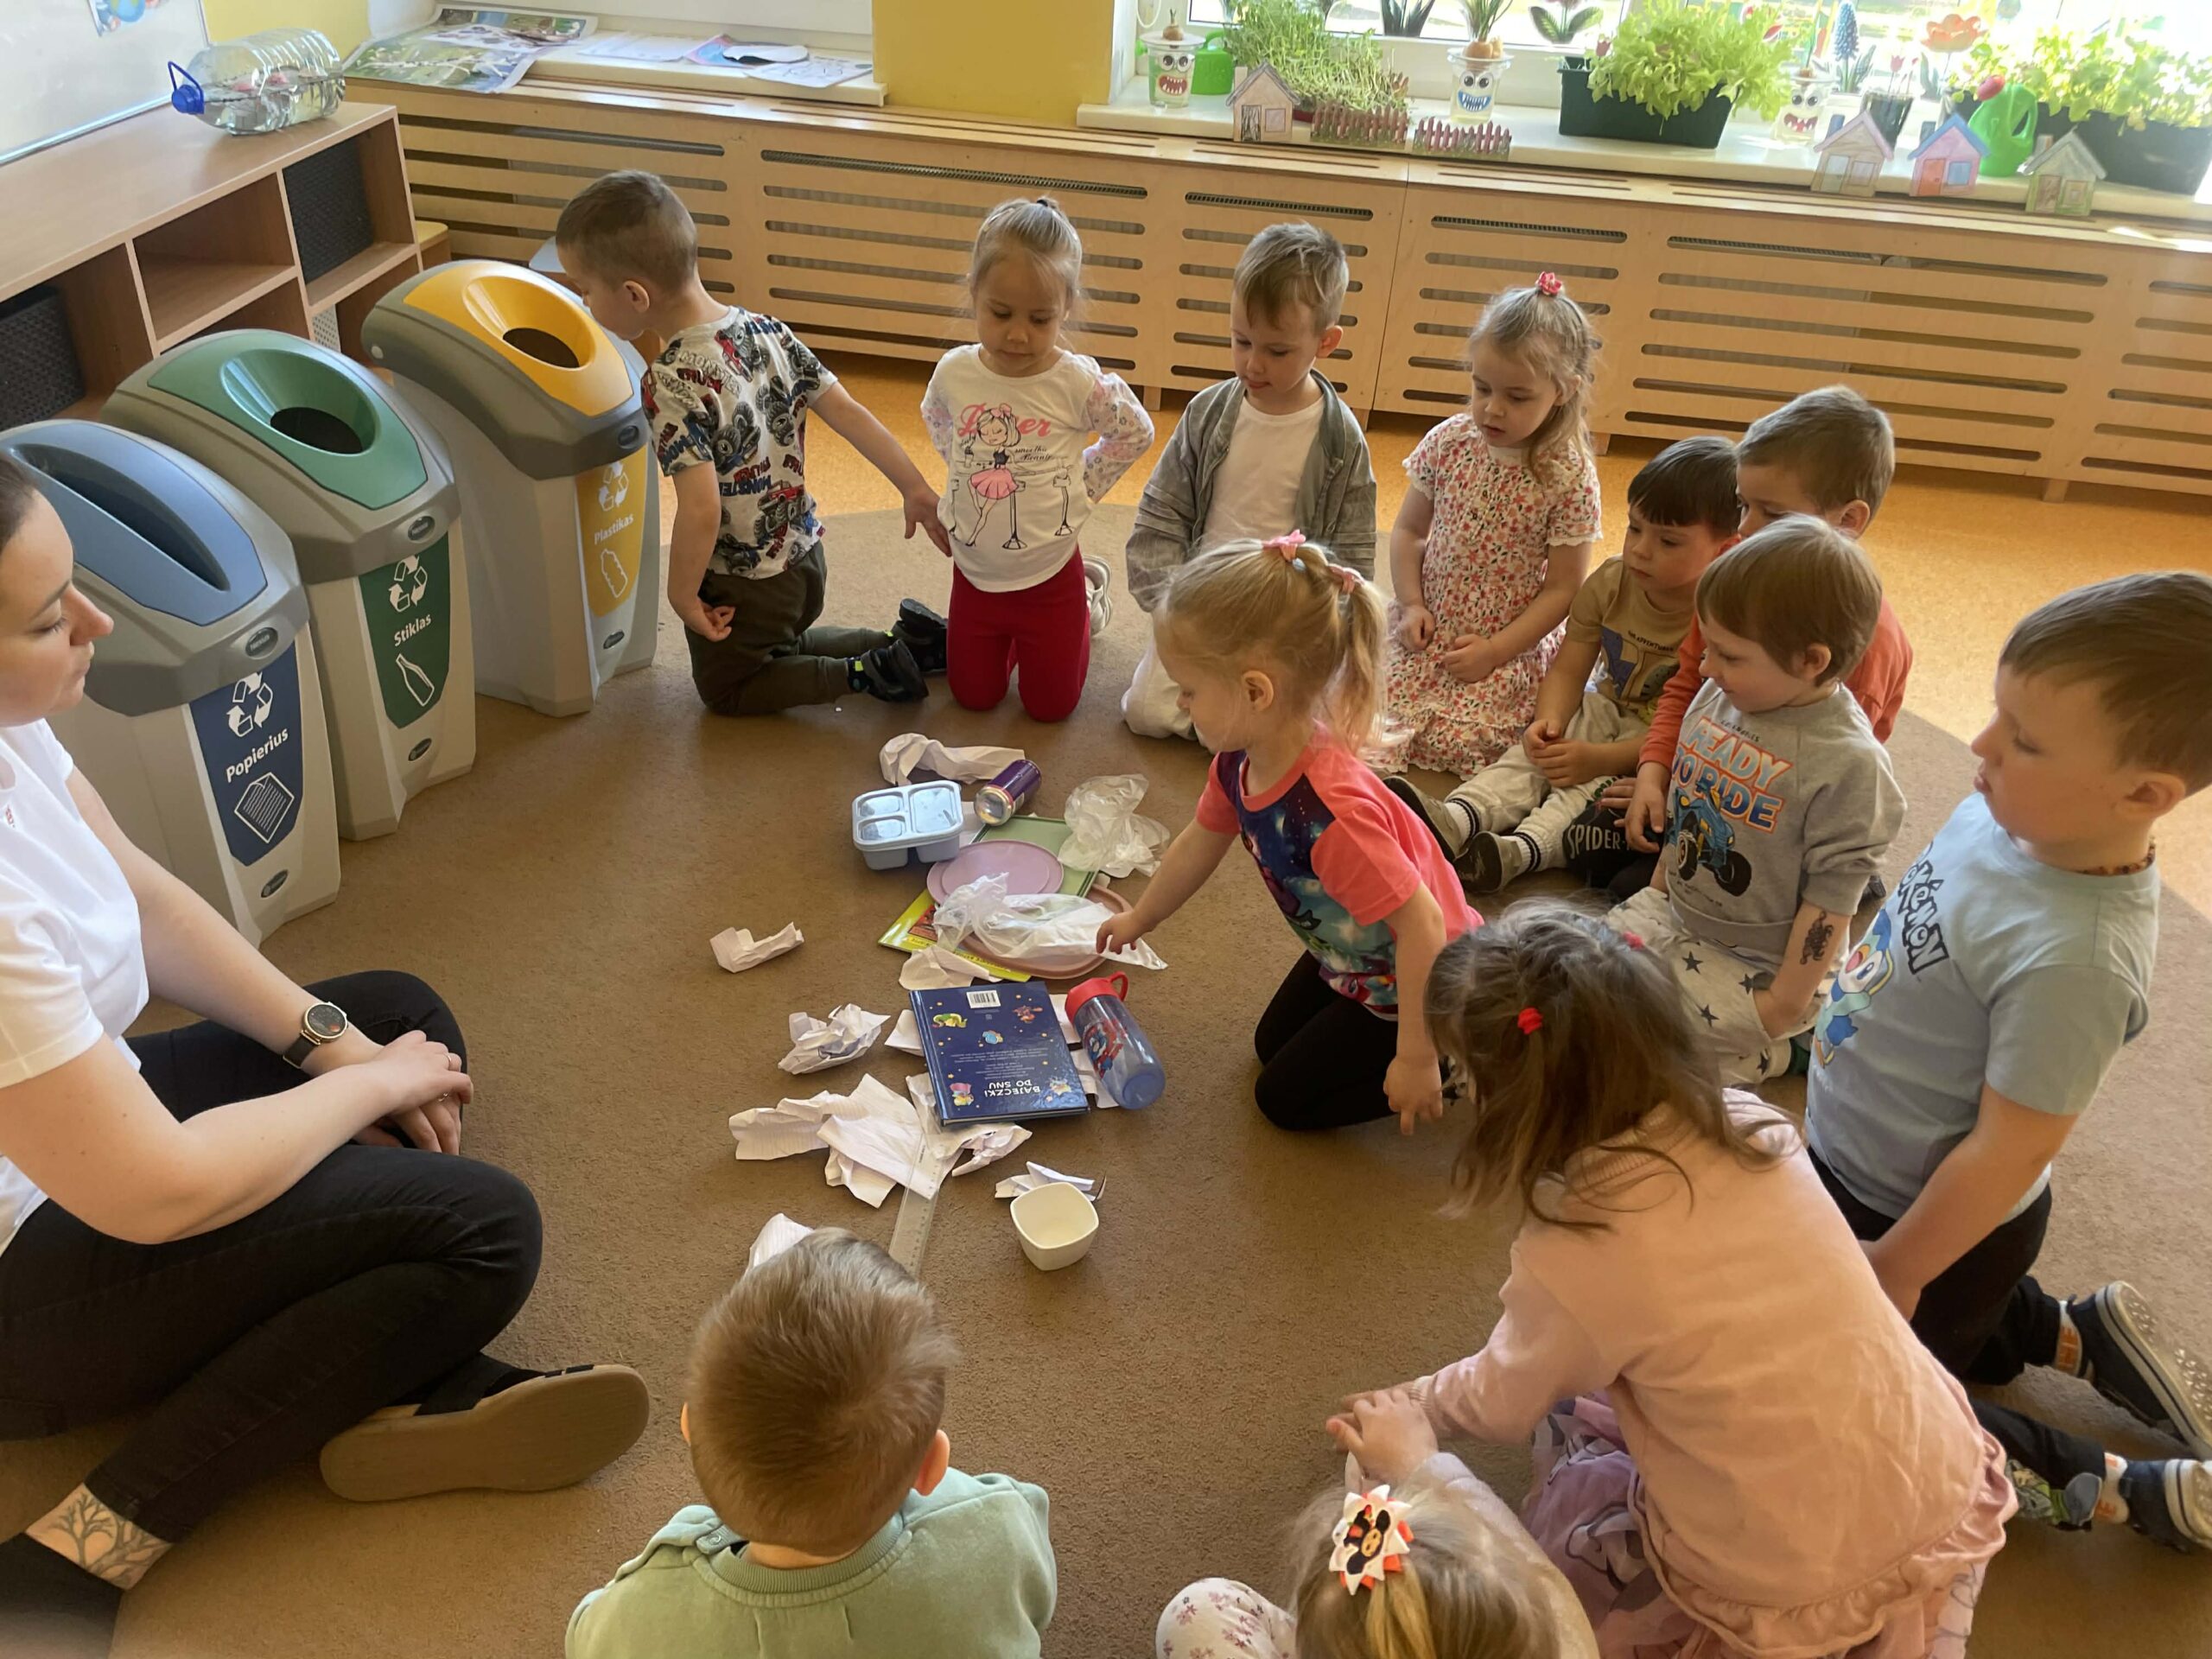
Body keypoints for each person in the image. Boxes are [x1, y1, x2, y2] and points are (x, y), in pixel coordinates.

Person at [0, 460, 647, 1659]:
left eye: (75, 588)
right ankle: (84, 1546)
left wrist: (333, 1045)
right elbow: (155, 1191)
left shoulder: (15, 728)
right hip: (23, 1295)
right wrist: (367, 1087)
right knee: (483, 1226)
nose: (95, 624)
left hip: (70, 1133)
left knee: (397, 1014)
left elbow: (146, 901)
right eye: (49, 620)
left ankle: (372, 1350)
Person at [1344, 905, 2013, 1657]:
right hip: (1940, 1484)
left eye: (1468, 1078)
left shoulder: (1575, 1252)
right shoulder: (1754, 1123)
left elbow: (1499, 1400)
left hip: (1787, 1577)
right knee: (1621, 1377)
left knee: (1562, 1531)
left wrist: (1414, 1412)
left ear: (1511, 1111)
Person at [1807, 573, 2212, 1552]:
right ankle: (2067, 1333)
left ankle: (2121, 1491)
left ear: (2143, 795)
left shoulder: (2078, 960)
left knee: (1880, 1414)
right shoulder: (2012, 816)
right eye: (1996, 712)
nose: (1980, 745)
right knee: (1894, 1328)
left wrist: (1900, 1268)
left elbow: (2007, 1150)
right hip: (1859, 1162)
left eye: (2022, 739)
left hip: (1924, 1223)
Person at [1095, 537, 1477, 1134]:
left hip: (1428, 977)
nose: (1181, 702)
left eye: (1189, 689)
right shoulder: (1239, 759)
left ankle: (1462, 1055)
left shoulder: (1330, 818)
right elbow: (1201, 838)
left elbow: (1425, 927)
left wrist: (1417, 1058)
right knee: (1270, 1045)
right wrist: (1141, 917)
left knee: (1282, 1101)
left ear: (1255, 691)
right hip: (1354, 951)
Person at [556, 170, 952, 715]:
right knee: (783, 646)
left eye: (585, 289)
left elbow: (701, 509)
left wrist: (682, 595)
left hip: (747, 585)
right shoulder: (768, 331)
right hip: (806, 558)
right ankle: (907, 644)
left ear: (634, 295)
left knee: (729, 688)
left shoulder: (669, 382)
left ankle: (864, 674)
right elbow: (850, 413)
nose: (584, 302)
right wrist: (914, 488)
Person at [568, 1229, 1055, 1656]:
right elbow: (1039, 1598)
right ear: (931, 1467)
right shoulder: (992, 1523)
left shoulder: (648, 1613)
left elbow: (585, 1637)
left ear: (689, 1426)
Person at [1569, 385, 1915, 899]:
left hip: (1785, 806)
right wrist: (1655, 774)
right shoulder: (1734, 568)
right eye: (1742, 504)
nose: (1746, 527)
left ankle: (1853, 878)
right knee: (1591, 853)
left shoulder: (1867, 647)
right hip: (1717, 764)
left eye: (1772, 514)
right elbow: (1687, 684)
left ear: (1848, 521)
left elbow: (1830, 783)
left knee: (1638, 889)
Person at [1605, 518, 1904, 1085]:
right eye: (1708, 648)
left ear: (1811, 661)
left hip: (1765, 968)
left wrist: (1781, 1007)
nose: (1706, 667)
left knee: (1653, 1062)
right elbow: (1690, 803)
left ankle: (1794, 1048)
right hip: (1678, 916)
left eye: (1729, 656)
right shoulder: (1718, 694)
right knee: (1589, 990)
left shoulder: (1849, 766)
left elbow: (1832, 902)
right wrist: (1656, 894)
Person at [1389, 436, 1739, 892]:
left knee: (1589, 791)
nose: (1640, 550)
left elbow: (1690, 729)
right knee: (1535, 756)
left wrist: (1599, 759)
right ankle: (1458, 816)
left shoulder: (1724, 620)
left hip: (1660, 745)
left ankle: (1522, 851)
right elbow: (1571, 668)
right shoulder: (1611, 581)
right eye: (1634, 528)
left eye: (1668, 541)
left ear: (1724, 550)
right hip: (1602, 706)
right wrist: (1548, 722)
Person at [1122, 221, 1377, 741]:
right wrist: (1171, 604)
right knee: (1147, 714)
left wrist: (1318, 633)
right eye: (1241, 342)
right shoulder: (1207, 414)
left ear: (1325, 342)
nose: (1253, 364)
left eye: (1277, 351)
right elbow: (1162, 512)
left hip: (1280, 620)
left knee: (1304, 733)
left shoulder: (1342, 440)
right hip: (1201, 606)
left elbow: (1353, 555)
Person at [921, 195, 1154, 721]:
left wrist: (1083, 484)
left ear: (1066, 306)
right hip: (975, 576)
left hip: (1050, 577)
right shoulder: (955, 372)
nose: (1018, 334)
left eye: (1041, 318)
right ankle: (1010, 643)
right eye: (1000, 313)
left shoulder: (1075, 380)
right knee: (973, 697)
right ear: (974, 292)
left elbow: (1135, 432)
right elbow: (936, 416)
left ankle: (1083, 606)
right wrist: (966, 472)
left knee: (1051, 708)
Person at [1157, 1388, 1598, 1659]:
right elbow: (1546, 1589)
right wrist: (1418, 1461)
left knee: (1199, 1611)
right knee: (1372, 1472)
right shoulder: (1558, 1641)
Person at [1382, 273, 1600, 778]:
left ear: (1563, 391)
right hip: (1430, 624)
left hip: (1506, 642)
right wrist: (1412, 603)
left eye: (1517, 397)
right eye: (1482, 388)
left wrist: (1496, 651)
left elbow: (1564, 588)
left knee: (1480, 738)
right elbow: (1409, 531)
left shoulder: (1568, 475)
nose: (1492, 408)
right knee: (1367, 704)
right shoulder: (1450, 441)